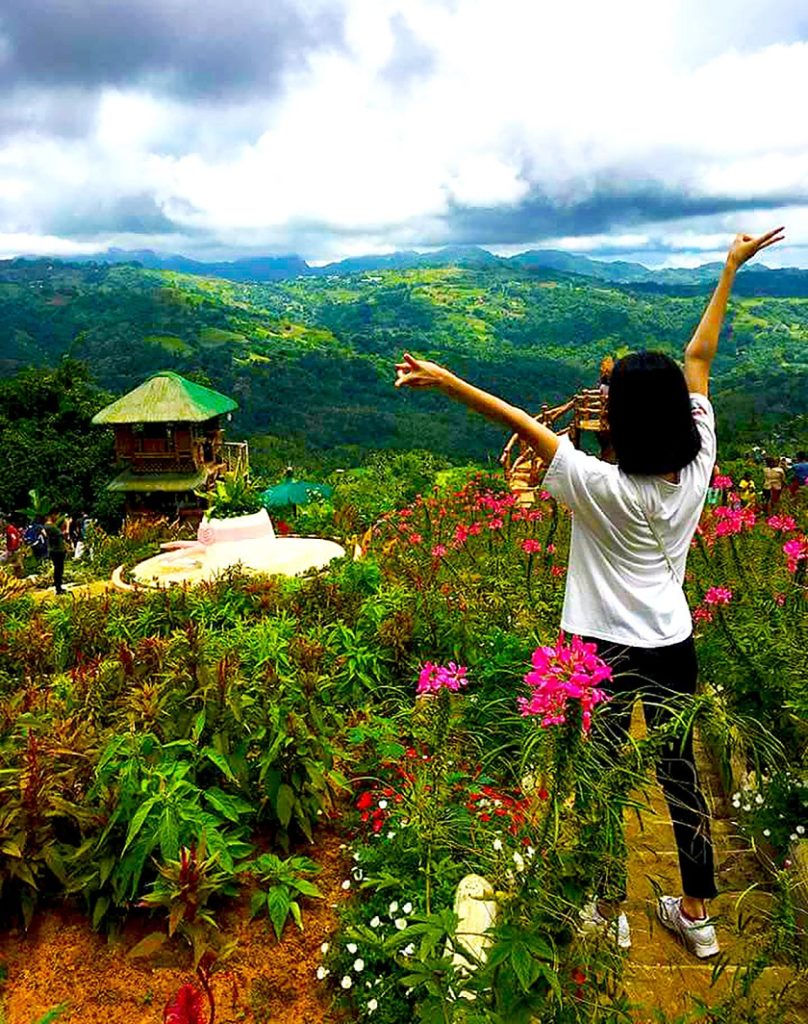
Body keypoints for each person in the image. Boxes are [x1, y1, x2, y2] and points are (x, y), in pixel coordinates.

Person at [395, 226, 785, 959]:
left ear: (620, 421)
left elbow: (513, 420)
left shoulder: (596, 484)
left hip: (599, 648)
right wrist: (731, 267)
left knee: (600, 774)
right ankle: (697, 916)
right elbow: (700, 357)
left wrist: (447, 383)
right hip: (672, 641)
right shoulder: (697, 464)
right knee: (679, 775)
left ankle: (609, 911)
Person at [44, 511, 66, 595]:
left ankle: (58, 587)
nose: (57, 517)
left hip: (54, 550)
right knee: (59, 570)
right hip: (57, 551)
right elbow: (64, 534)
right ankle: (58, 588)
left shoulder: (48, 526)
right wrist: (67, 525)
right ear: (51, 515)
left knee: (58, 569)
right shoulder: (51, 527)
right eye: (56, 514)